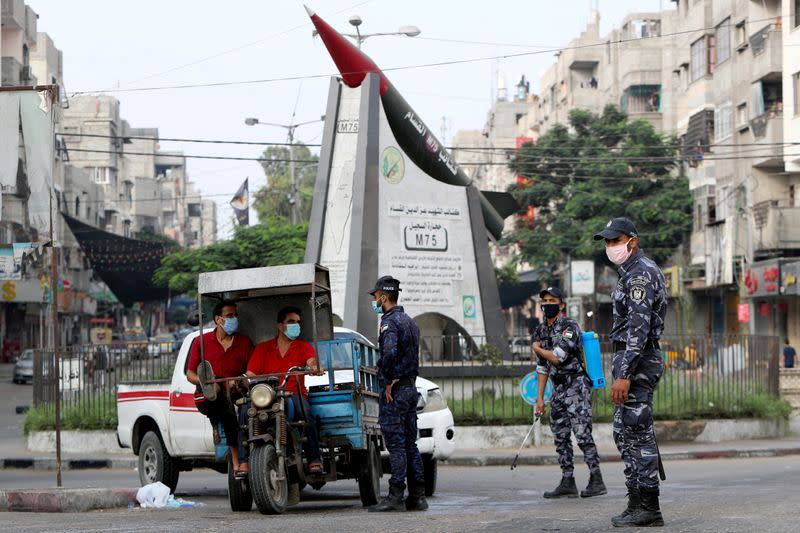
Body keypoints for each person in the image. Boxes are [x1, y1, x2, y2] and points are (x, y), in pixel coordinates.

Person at [594, 217, 667, 528]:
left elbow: (638, 330)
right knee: (625, 433)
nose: (611, 247)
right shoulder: (628, 273)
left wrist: (624, 374)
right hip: (630, 359)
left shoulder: (640, 275)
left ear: (632, 241)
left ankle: (649, 506)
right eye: (608, 242)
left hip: (638, 360)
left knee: (638, 432)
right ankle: (635, 501)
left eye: (616, 240)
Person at [531, 287, 606, 499]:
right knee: (560, 434)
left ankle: (596, 478)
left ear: (561, 304)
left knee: (582, 432)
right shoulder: (540, 331)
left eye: (552, 300)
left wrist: (537, 349)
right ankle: (567, 480)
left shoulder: (569, 326)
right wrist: (539, 398)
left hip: (576, 385)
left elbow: (557, 356)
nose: (547, 304)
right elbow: (543, 367)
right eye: (544, 300)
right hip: (558, 387)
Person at [368, 276, 427, 513]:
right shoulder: (410, 322)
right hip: (411, 388)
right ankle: (418, 496)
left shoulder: (389, 322)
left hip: (397, 390)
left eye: (375, 296)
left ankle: (395, 496)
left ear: (384, 296)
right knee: (410, 444)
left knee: (397, 445)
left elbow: (390, 352)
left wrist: (388, 379)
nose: (374, 300)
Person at [246, 306, 323, 474]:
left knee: (307, 415)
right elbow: (250, 374)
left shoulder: (303, 347)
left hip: (294, 394)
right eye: (291, 322)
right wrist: (242, 381)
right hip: (268, 396)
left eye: (298, 322)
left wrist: (314, 367)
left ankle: (314, 458)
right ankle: (245, 461)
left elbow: (311, 362)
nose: (296, 325)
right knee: (247, 414)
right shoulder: (263, 349)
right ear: (280, 326)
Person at [186, 300, 253, 476]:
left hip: (236, 392)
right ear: (218, 319)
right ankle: (238, 460)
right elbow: (190, 374)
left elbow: (252, 371)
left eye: (235, 315)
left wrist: (240, 381)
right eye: (230, 315)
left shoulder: (244, 343)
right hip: (208, 395)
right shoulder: (201, 341)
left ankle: (217, 424)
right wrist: (205, 382)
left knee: (236, 409)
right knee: (225, 408)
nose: (234, 319)